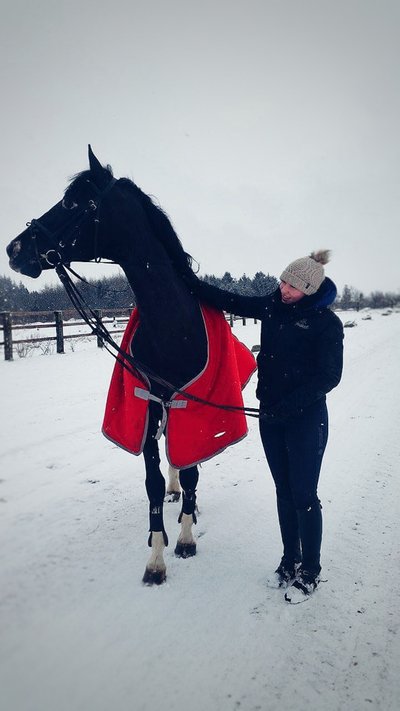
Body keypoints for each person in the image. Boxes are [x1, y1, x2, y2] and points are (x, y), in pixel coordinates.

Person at [185, 250, 344, 603]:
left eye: (291, 285)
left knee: (304, 496)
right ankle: (290, 560)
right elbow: (230, 300)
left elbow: (329, 376)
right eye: (282, 280)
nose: (283, 288)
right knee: (284, 492)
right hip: (271, 418)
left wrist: (291, 405)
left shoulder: (325, 323)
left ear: (308, 289)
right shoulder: (273, 305)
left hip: (306, 420)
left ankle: (311, 572)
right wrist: (190, 282)